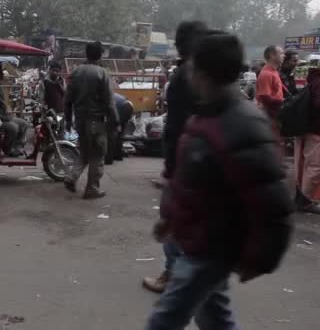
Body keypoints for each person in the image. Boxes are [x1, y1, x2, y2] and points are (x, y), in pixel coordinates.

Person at [145, 32, 293, 330]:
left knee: (165, 318)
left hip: (213, 246)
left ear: (203, 72)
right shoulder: (203, 115)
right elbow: (187, 179)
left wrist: (261, 257)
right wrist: (170, 218)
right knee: (214, 316)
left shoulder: (243, 125)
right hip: (194, 237)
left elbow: (273, 203)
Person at [143, 21, 208, 294]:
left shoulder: (184, 77)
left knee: (173, 217)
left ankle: (173, 274)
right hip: (207, 161)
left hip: (186, 163)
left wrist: (171, 166)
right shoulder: (208, 75)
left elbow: (177, 127)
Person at [64, 41, 119, 199]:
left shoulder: (76, 72)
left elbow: (67, 100)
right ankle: (92, 188)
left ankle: (71, 177)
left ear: (86, 53)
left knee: (84, 153)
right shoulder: (102, 73)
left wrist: (68, 120)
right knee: (98, 155)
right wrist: (115, 121)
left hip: (80, 121)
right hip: (96, 121)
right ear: (100, 54)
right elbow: (109, 101)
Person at [294, 68, 320, 214]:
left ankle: (303, 198)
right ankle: (305, 200)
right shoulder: (318, 80)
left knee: (307, 165)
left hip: (309, 128)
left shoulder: (315, 79)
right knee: (314, 166)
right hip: (314, 130)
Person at [256, 45, 285, 126]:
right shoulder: (267, 74)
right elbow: (265, 97)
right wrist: (284, 103)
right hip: (270, 119)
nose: (284, 55)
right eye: (281, 53)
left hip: (275, 116)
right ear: (272, 55)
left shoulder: (273, 72)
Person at [106, 93, 133, 164]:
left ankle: (108, 159)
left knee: (110, 134)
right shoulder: (110, 94)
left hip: (122, 109)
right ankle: (118, 156)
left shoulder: (102, 97)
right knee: (119, 134)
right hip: (128, 106)